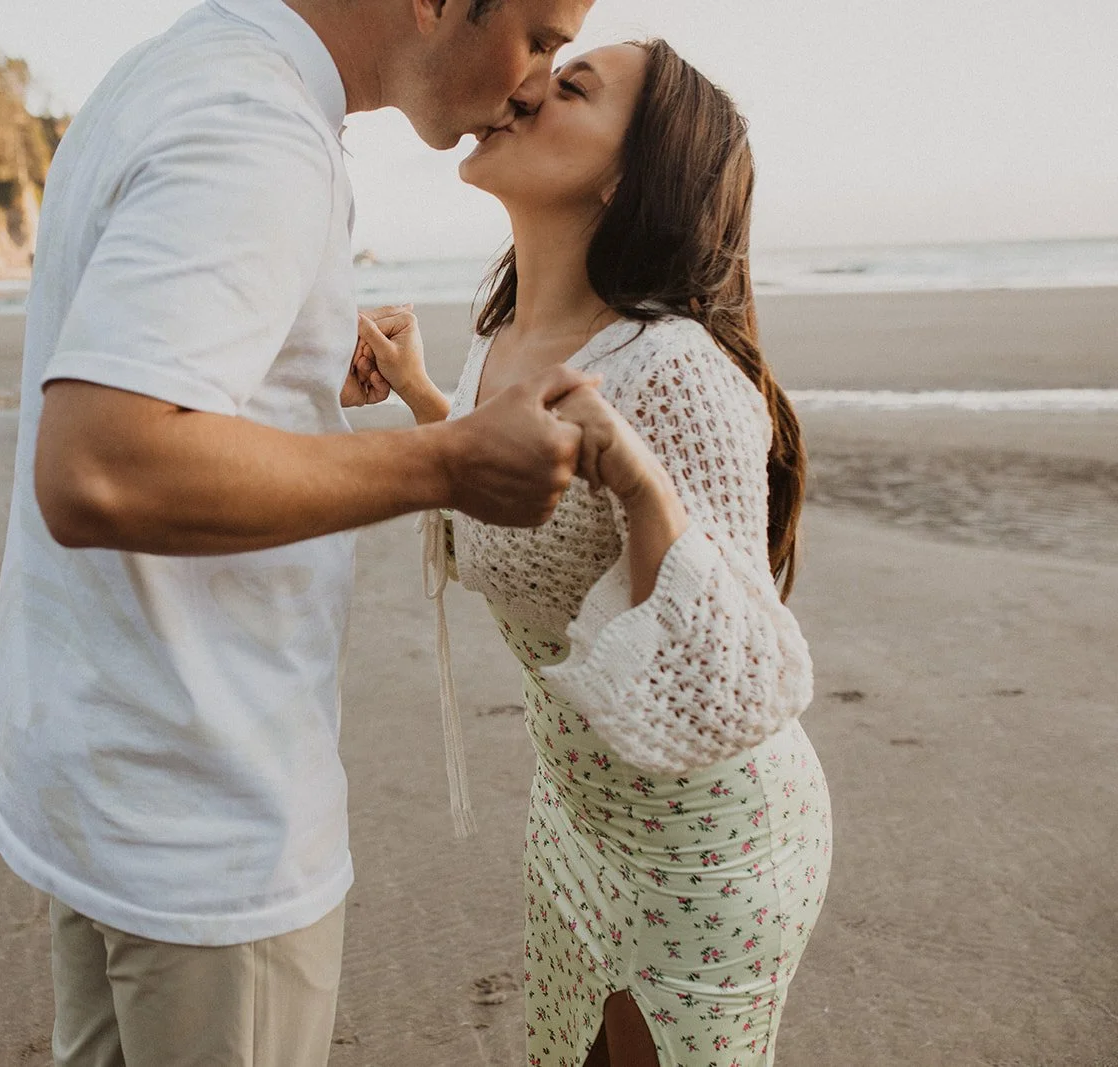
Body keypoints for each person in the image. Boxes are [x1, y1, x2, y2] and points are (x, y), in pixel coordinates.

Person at [0, 1, 601, 1064]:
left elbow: (137, 400)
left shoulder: (181, 68)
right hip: (203, 813)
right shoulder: (255, 127)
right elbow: (98, 467)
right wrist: (441, 462)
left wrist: (283, 366)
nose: (537, 75)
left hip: (104, 773)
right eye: (540, 34)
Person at [352, 39, 833, 1067]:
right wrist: (429, 400)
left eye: (570, 87)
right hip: (575, 815)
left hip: (707, 848)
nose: (523, 86)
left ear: (632, 174)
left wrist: (641, 483)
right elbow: (525, 513)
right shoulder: (500, 337)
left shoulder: (673, 372)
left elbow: (721, 668)